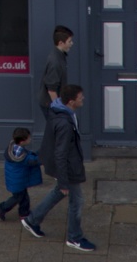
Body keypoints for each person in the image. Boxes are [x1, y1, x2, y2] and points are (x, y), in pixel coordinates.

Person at [22, 83, 95, 250]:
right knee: (76, 201)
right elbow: (61, 153)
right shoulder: (64, 123)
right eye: (80, 97)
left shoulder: (58, 112)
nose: (82, 99)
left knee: (60, 192)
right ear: (71, 102)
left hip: (65, 165)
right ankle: (74, 238)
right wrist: (63, 180)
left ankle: (32, 220)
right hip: (68, 167)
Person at [0, 125, 43, 221]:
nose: (30, 139)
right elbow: (35, 161)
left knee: (24, 197)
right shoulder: (23, 157)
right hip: (18, 182)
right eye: (29, 138)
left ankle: (24, 213)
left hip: (16, 180)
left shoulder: (12, 147)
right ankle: (1, 208)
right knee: (18, 198)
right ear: (22, 141)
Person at [39, 25, 74, 117]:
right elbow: (51, 90)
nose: (71, 43)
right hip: (50, 105)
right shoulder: (55, 62)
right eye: (69, 41)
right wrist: (59, 108)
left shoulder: (59, 56)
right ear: (61, 43)